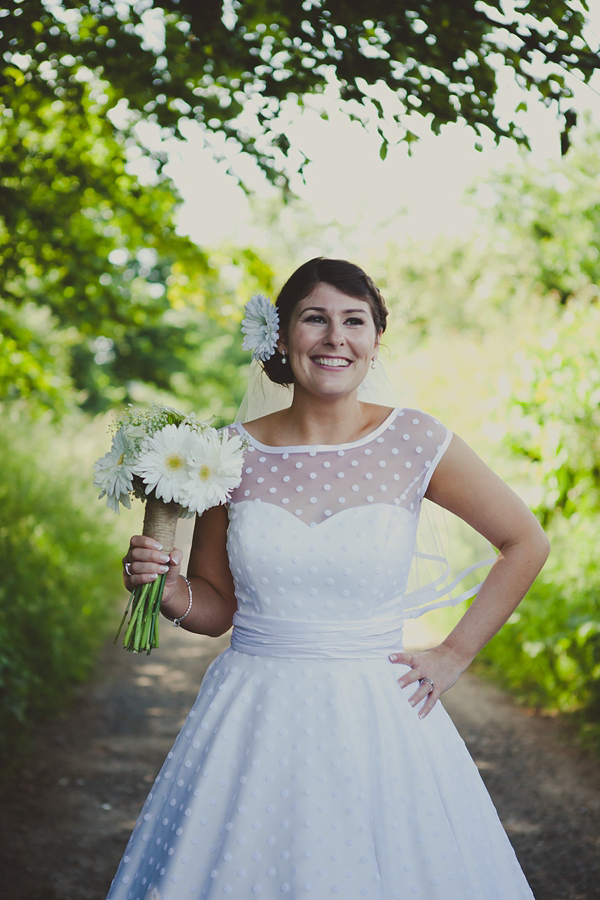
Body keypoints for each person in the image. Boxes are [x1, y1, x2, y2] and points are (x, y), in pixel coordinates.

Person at [109, 257, 549, 899]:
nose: (335, 337)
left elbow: (525, 542)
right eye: (315, 319)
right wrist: (164, 589)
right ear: (282, 338)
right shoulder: (228, 454)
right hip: (253, 713)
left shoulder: (415, 440)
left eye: (355, 321)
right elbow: (214, 606)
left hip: (380, 714)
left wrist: (455, 653)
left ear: (375, 341)